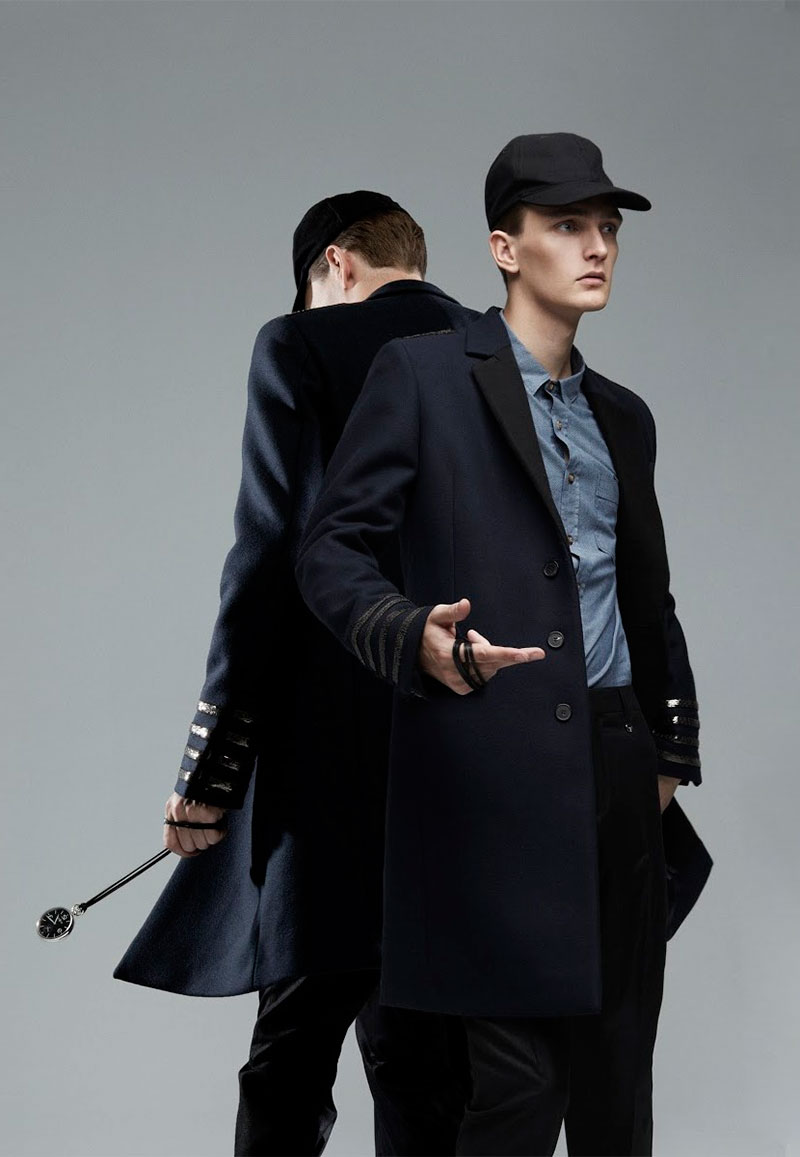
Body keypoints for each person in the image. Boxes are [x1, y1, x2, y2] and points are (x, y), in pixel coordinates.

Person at [295, 135, 711, 1155]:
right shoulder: (422, 374)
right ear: (503, 247)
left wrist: (666, 749)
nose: (597, 246)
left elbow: (644, 592)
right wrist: (409, 636)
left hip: (615, 770)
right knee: (518, 1091)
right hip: (486, 777)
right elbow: (330, 549)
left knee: (615, 1092)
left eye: (606, 227)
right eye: (567, 225)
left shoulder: (624, 417)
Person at [115, 190, 478, 1156]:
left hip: (333, 757)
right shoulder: (502, 349)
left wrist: (209, 770)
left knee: (293, 1049)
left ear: (335, 265)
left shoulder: (300, 343)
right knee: (430, 1060)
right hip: (474, 749)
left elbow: (270, 554)